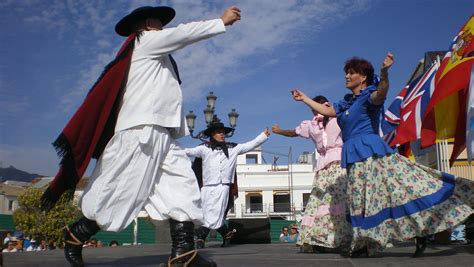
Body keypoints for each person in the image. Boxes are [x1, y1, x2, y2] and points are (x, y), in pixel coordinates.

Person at [41, 4, 241, 267]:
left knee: (183, 187)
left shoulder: (159, 54)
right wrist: (221, 21)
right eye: (159, 22)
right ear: (147, 24)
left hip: (164, 134)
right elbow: (182, 34)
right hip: (140, 131)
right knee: (119, 189)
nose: (163, 26)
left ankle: (183, 253)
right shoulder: (145, 41)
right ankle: (76, 234)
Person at [291, 52, 474, 257]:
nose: (346, 76)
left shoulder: (369, 96)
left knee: (382, 196)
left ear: (363, 77)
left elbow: (381, 93)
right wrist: (304, 98)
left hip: (371, 153)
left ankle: (367, 243)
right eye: (346, 73)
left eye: (351, 73)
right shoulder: (346, 104)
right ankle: (377, 240)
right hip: (352, 155)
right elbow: (326, 111)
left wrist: (385, 74)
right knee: (361, 199)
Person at [272, 95, 352, 253]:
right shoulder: (311, 125)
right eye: (312, 108)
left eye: (317, 106)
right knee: (318, 200)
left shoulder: (338, 116)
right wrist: (278, 131)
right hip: (323, 166)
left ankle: (342, 238)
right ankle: (316, 238)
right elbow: (293, 132)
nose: (314, 110)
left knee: (338, 200)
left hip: (339, 161)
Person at [186, 118, 270, 248]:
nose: (222, 134)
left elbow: (250, 145)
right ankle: (226, 234)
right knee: (204, 213)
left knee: (216, 213)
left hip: (223, 186)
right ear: (212, 134)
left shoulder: (233, 148)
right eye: (219, 132)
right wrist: (170, 148)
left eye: (223, 132)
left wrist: (263, 135)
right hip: (207, 187)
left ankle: (201, 236)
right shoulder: (204, 148)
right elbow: (188, 151)